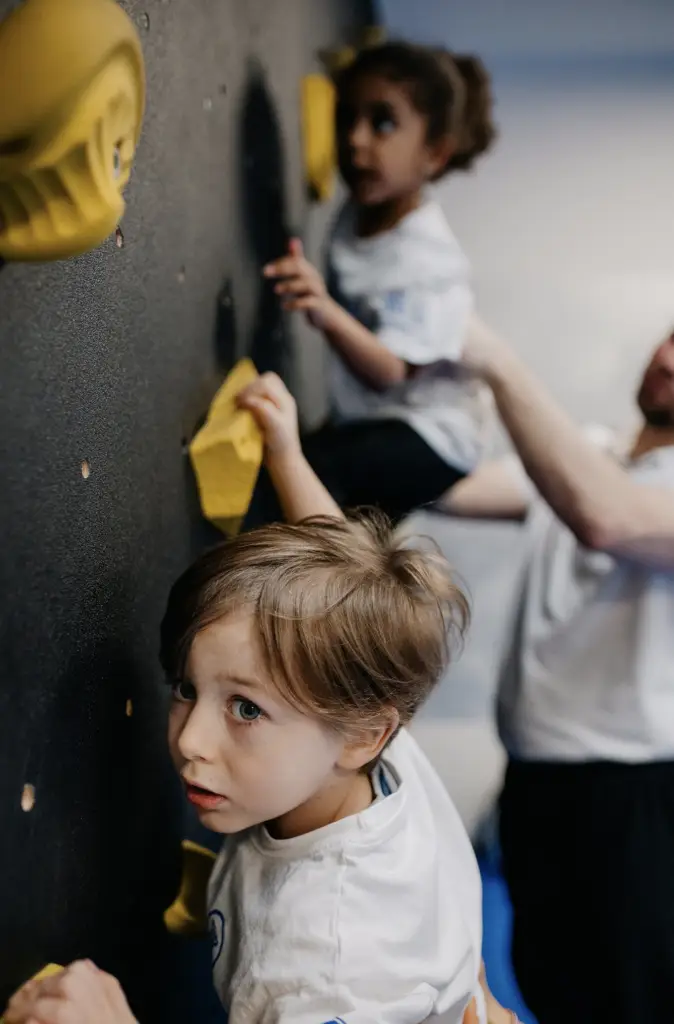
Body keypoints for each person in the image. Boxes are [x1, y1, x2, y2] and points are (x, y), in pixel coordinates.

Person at [5, 373, 487, 1024]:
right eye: (186, 689)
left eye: (246, 709)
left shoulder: (324, 969)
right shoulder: (366, 732)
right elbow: (339, 596)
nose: (188, 741)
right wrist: (286, 454)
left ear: (363, 736)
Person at [440, 320, 674, 1024]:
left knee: (632, 1005)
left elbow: (604, 516)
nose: (666, 358)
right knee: (552, 986)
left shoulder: (600, 485)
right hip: (538, 785)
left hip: (635, 799)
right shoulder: (590, 451)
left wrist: (498, 362)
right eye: (672, 337)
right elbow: (447, 488)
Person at [253, 41, 496, 525]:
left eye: (382, 123)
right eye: (347, 119)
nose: (356, 140)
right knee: (348, 510)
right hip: (387, 420)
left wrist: (324, 309)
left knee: (315, 468)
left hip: (433, 439)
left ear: (435, 153)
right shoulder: (364, 207)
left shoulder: (429, 259)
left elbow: (388, 370)